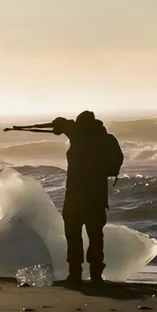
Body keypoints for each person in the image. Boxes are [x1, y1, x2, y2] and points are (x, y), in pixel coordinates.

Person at [51, 111, 122, 285]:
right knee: (96, 236)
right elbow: (116, 161)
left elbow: (61, 124)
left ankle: (75, 274)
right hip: (96, 197)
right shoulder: (106, 138)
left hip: (75, 196)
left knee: (73, 235)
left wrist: (58, 125)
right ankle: (96, 275)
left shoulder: (77, 134)